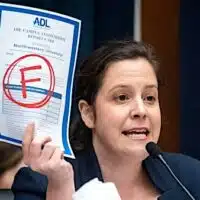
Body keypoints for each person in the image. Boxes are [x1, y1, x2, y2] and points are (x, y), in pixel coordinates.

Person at [11, 40, 200, 200]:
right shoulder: (41, 182)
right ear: (88, 114)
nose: (141, 111)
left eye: (149, 98)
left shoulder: (190, 179)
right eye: (122, 97)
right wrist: (60, 188)